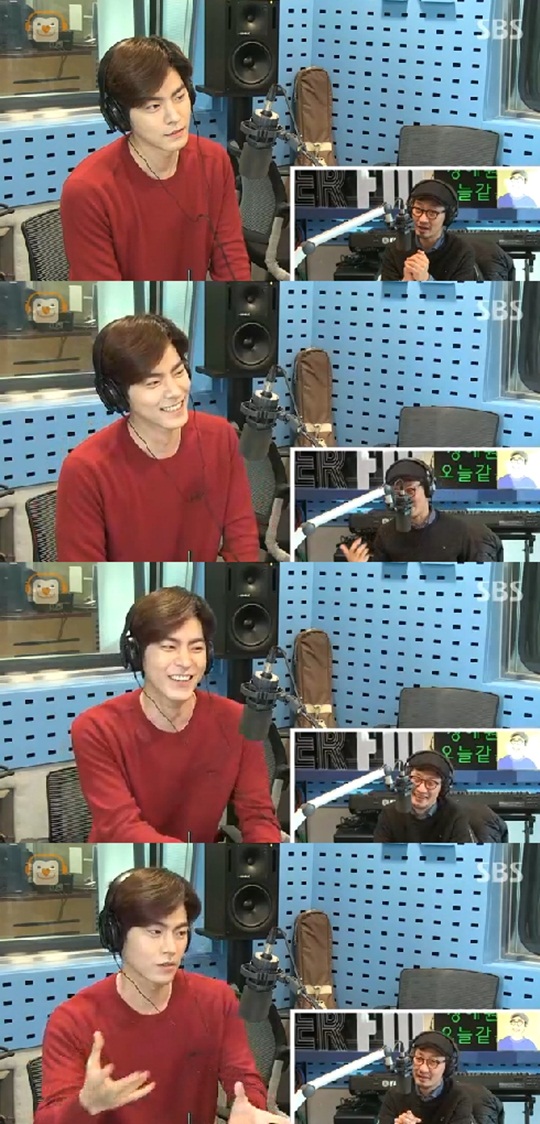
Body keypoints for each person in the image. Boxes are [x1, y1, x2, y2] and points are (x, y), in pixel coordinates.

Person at [35, 867, 284, 1124]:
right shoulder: (72, 1020)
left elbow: (243, 1078)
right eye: (155, 932)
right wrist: (85, 1105)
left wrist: (249, 1107)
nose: (170, 948)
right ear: (116, 934)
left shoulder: (216, 999)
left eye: (180, 933)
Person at [71, 586, 283, 843]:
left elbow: (258, 816)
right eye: (169, 646)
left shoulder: (238, 720)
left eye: (196, 648)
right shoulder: (96, 728)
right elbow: (121, 828)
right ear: (136, 654)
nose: (185, 661)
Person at [55, 314, 260, 562]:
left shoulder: (220, 437)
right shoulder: (86, 469)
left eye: (178, 372)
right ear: (117, 394)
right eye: (153, 382)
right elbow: (85, 568)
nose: (174, 391)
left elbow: (242, 538)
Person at [60, 36, 251, 281]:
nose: (174, 117)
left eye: (179, 97)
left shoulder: (213, 161)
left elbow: (232, 263)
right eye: (153, 106)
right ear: (120, 115)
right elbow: (103, 287)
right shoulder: (88, 190)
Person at [339, 459, 500, 562]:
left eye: (410, 491)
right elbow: (380, 587)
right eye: (397, 493)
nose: (404, 499)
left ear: (428, 490)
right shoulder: (386, 533)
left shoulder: (460, 531)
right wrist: (360, 571)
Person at [378, 1031, 500, 1124]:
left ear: (447, 1067)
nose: (423, 1069)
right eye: (419, 1059)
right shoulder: (395, 1095)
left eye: (433, 1062)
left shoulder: (459, 1099)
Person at [380, 180, 477, 281]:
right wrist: (406, 281)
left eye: (432, 213)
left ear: (447, 217)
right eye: (418, 210)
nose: (423, 220)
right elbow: (387, 290)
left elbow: (463, 291)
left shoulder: (462, 253)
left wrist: (427, 280)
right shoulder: (395, 250)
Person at [373, 752, 473, 843]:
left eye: (431, 783)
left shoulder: (455, 816)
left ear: (442, 788)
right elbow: (380, 855)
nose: (422, 789)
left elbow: (462, 856)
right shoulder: (390, 814)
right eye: (416, 779)